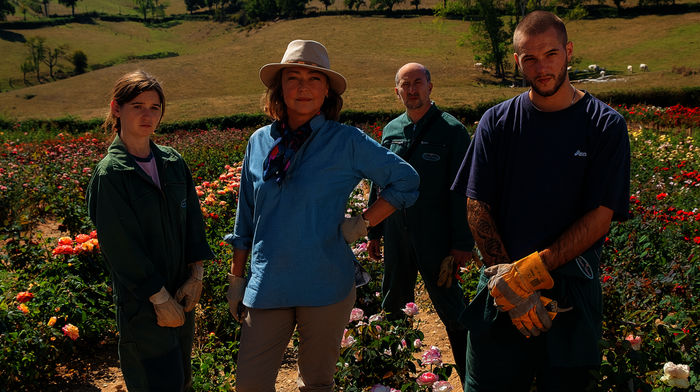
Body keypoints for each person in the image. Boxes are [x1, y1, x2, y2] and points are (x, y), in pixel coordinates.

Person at [224, 39, 420, 391]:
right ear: (279, 87)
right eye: (292, 78)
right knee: (249, 384)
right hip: (269, 283)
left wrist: (361, 224)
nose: (302, 87)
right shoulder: (259, 142)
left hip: (326, 283)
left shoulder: (345, 141)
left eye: (313, 78)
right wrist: (237, 279)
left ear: (327, 90)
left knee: (316, 384)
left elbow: (406, 180)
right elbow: (245, 218)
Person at [451, 11, 630, 392]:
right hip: (500, 289)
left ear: (568, 52)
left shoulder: (604, 125)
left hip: (570, 290)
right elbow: (476, 205)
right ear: (517, 61)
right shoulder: (496, 121)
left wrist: (528, 274)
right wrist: (510, 285)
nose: (541, 67)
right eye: (529, 58)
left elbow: (600, 217)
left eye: (550, 54)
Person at [86, 70, 214, 392]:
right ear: (117, 109)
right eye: (137, 106)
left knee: (182, 379)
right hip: (143, 302)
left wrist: (196, 274)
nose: (147, 115)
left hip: (181, 291)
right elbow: (120, 247)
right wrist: (158, 297)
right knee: (155, 382)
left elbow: (193, 222)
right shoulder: (112, 174)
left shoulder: (172, 162)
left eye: (155, 107)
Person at [367, 62, 474, 385]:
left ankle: (473, 377)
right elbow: (379, 182)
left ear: (430, 87)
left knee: (452, 308)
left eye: (417, 83)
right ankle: (391, 378)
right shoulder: (391, 130)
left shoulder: (452, 131)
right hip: (397, 233)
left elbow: (463, 191)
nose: (412, 90)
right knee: (392, 305)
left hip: (436, 235)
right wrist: (374, 231)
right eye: (405, 84)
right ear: (396, 90)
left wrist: (461, 243)